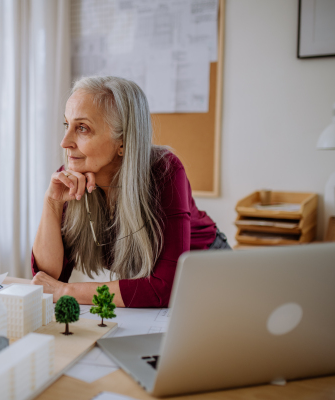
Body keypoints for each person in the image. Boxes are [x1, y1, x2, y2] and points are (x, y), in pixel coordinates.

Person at [30, 76, 230, 308]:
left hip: (211, 273)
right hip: (161, 294)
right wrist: (52, 202)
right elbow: (46, 279)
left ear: (123, 141)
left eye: (82, 128)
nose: (65, 142)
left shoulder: (165, 171)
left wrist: (66, 291)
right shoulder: (71, 178)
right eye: (67, 125)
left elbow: (164, 288)